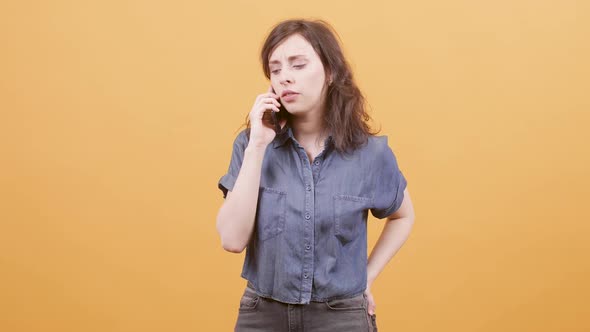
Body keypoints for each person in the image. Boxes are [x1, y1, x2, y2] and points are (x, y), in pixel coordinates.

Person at [216, 18, 415, 332]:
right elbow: (231, 239)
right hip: (262, 316)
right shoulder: (251, 144)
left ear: (330, 72)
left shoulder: (369, 153)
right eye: (276, 69)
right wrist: (257, 146)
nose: (285, 78)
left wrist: (367, 277)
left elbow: (403, 216)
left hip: (340, 318)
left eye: (298, 65)